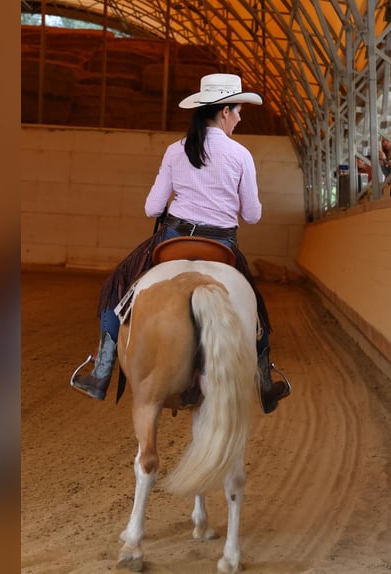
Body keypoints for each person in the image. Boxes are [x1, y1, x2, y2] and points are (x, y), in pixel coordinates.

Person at [70, 73, 292, 414]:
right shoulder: (241, 155)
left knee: (117, 288)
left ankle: (100, 372)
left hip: (173, 238)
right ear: (224, 112)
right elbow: (252, 215)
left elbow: (152, 208)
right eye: (238, 110)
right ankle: (264, 382)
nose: (240, 117)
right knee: (256, 309)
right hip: (222, 245)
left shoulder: (176, 150)